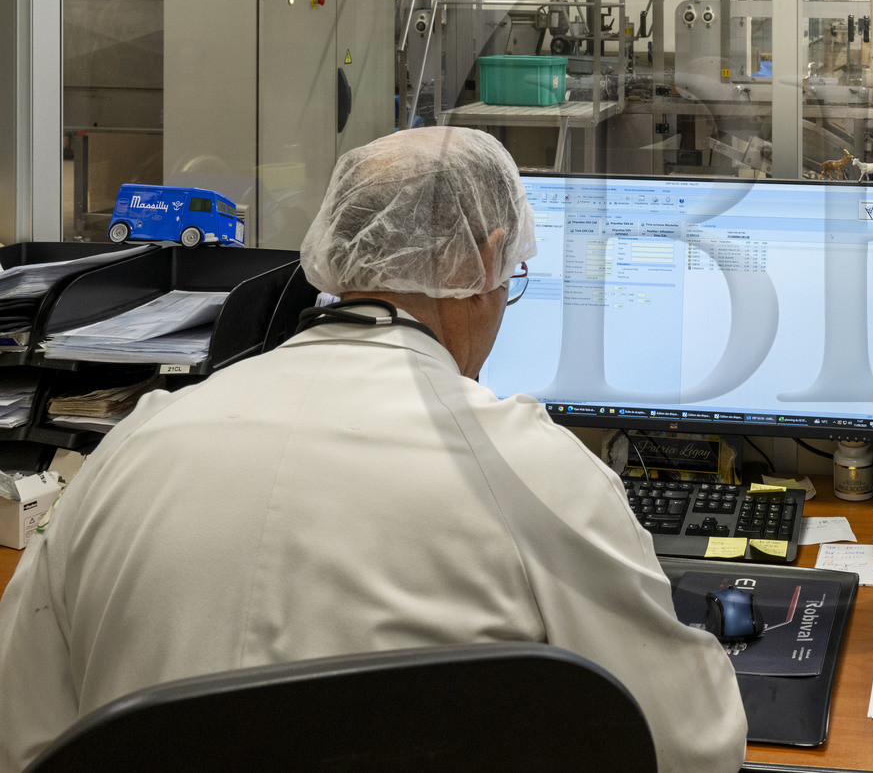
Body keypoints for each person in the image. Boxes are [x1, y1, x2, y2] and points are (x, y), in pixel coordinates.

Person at [0, 127, 747, 773]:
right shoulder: (534, 471)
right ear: (477, 264)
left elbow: (22, 729)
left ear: (338, 250)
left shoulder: (135, 446)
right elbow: (690, 745)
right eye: (510, 278)